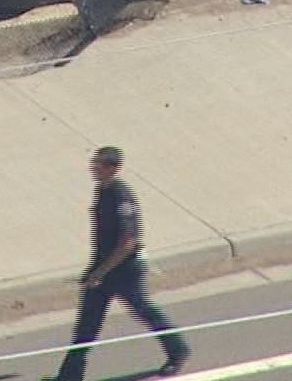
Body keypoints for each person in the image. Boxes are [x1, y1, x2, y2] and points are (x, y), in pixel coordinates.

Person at [54, 147, 190, 381]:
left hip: (125, 268)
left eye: (99, 164)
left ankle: (178, 350)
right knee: (88, 321)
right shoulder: (102, 191)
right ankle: (69, 376)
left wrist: (101, 272)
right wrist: (96, 270)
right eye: (94, 163)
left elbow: (128, 242)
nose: (93, 168)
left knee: (144, 311)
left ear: (113, 168)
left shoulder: (120, 195)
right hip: (102, 266)